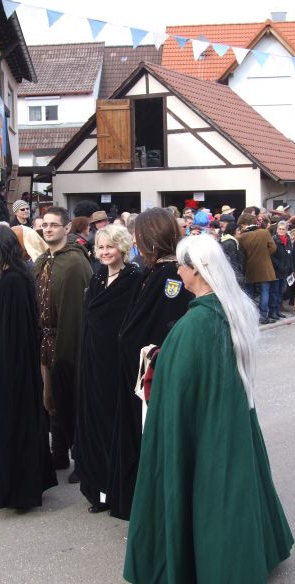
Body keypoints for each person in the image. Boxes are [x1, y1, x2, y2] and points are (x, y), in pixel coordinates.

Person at [123, 235, 293, 583]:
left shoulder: (196, 325)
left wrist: (158, 359)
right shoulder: (230, 309)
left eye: (182, 266)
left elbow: (179, 390)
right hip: (230, 418)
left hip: (204, 425)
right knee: (235, 482)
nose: (178, 273)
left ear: (198, 270)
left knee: (211, 489)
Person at [107, 208, 193, 520]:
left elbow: (164, 327)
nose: (134, 241)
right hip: (134, 371)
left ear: (150, 238)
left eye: (137, 236)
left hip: (150, 375)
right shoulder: (151, 271)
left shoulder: (170, 276)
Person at [0, 226, 57, 508]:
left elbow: (15, 335)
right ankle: (0, 485)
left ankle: (17, 490)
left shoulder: (13, 282)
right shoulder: (1, 279)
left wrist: (3, 373)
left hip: (10, 369)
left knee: (12, 424)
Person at [76, 225, 142, 514]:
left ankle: (118, 490)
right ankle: (100, 489)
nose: (104, 252)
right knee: (97, 424)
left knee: (116, 425)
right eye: (100, 247)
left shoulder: (134, 278)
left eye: (110, 247)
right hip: (94, 362)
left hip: (117, 365)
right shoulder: (97, 277)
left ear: (122, 248)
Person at [33, 207, 93, 476]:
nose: (48, 229)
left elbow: (78, 309)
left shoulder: (75, 263)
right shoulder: (41, 261)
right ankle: (58, 454)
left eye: (54, 225)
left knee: (74, 398)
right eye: (45, 225)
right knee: (51, 399)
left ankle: (82, 460)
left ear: (67, 228)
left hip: (69, 337)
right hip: (46, 340)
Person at [238, 213, 278, 324]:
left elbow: (242, 253)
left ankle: (251, 315)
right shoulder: (264, 232)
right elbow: (273, 248)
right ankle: (263, 316)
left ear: (244, 224)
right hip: (265, 267)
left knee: (249, 293)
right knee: (265, 291)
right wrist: (264, 255)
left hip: (250, 267)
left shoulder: (242, 237)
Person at [270, 220, 293, 319]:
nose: (281, 231)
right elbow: (271, 256)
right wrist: (279, 265)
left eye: (283, 229)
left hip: (285, 270)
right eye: (279, 229)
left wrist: (290, 267)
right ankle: (273, 312)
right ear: (277, 229)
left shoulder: (288, 239)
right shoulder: (274, 240)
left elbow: (290, 254)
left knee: (280, 292)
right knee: (274, 292)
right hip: (276, 270)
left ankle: (278, 310)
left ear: (286, 230)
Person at [219, 221, 244, 286]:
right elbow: (233, 261)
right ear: (233, 231)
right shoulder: (231, 243)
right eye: (238, 230)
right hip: (234, 275)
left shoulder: (227, 240)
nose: (239, 232)